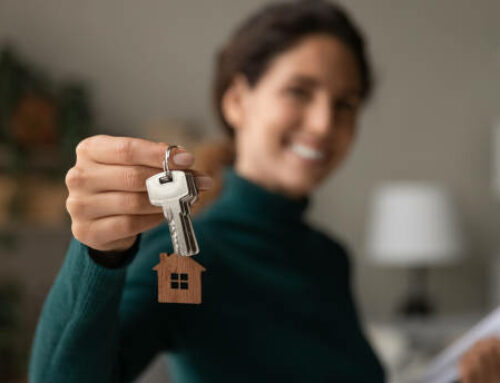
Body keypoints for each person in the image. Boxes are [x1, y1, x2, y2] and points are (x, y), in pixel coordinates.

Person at [29, 1, 500, 382]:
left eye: (345, 104)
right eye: (300, 91)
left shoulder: (328, 257)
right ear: (237, 100)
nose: (323, 123)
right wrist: (99, 255)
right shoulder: (184, 254)